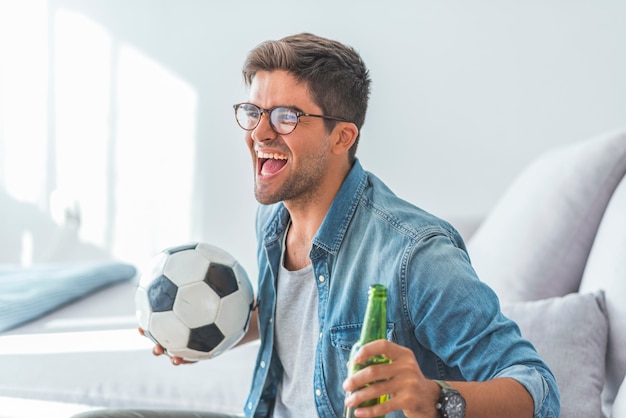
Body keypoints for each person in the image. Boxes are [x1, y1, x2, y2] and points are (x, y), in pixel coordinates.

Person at [75, 33, 560, 418]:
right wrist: (209, 327)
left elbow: (538, 388)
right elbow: (306, 316)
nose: (260, 133)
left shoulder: (417, 254)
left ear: (342, 136)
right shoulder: (274, 214)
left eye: (286, 116)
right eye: (253, 111)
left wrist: (433, 397)